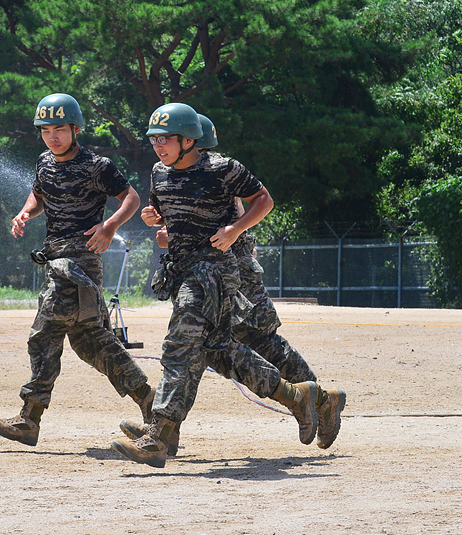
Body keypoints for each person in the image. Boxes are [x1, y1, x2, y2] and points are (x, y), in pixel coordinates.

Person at [121, 114, 346, 455]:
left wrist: (234, 230)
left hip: (227, 270)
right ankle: (166, 428)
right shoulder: (161, 172)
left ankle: (319, 398)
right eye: (154, 139)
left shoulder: (219, 169)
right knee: (208, 348)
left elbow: (254, 204)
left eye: (165, 138)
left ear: (190, 140)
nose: (158, 145)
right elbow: (174, 211)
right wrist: (161, 221)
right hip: (193, 270)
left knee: (252, 342)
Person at [0, 93, 154, 447]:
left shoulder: (97, 165)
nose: (53, 136)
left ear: (76, 129)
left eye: (60, 128)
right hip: (56, 260)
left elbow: (132, 198)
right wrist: (26, 213)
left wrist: (109, 227)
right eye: (46, 130)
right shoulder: (44, 163)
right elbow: (40, 195)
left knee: (44, 334)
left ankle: (29, 419)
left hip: (80, 261)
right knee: (93, 344)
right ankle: (152, 404)